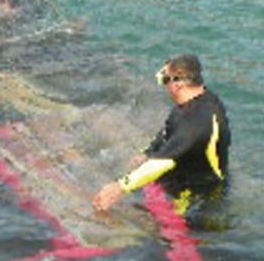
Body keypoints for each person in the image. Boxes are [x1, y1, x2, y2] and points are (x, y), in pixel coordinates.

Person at [93, 54, 231, 230]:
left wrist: (120, 187)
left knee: (158, 234)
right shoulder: (196, 100)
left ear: (178, 83)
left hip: (197, 194)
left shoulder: (196, 123)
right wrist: (148, 152)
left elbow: (163, 162)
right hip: (183, 172)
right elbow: (169, 132)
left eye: (164, 79)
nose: (164, 86)